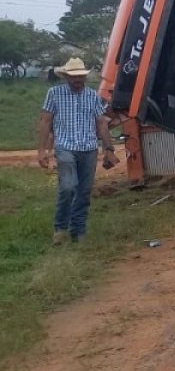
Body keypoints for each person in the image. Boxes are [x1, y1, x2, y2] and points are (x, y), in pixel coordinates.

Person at [37, 58, 119, 245]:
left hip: (89, 149)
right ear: (66, 76)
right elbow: (46, 121)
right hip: (65, 147)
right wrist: (42, 151)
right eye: (73, 77)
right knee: (68, 186)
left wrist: (109, 149)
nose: (78, 80)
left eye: (81, 76)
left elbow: (101, 124)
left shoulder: (92, 96)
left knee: (84, 191)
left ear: (85, 77)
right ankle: (60, 229)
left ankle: (78, 231)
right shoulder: (54, 94)